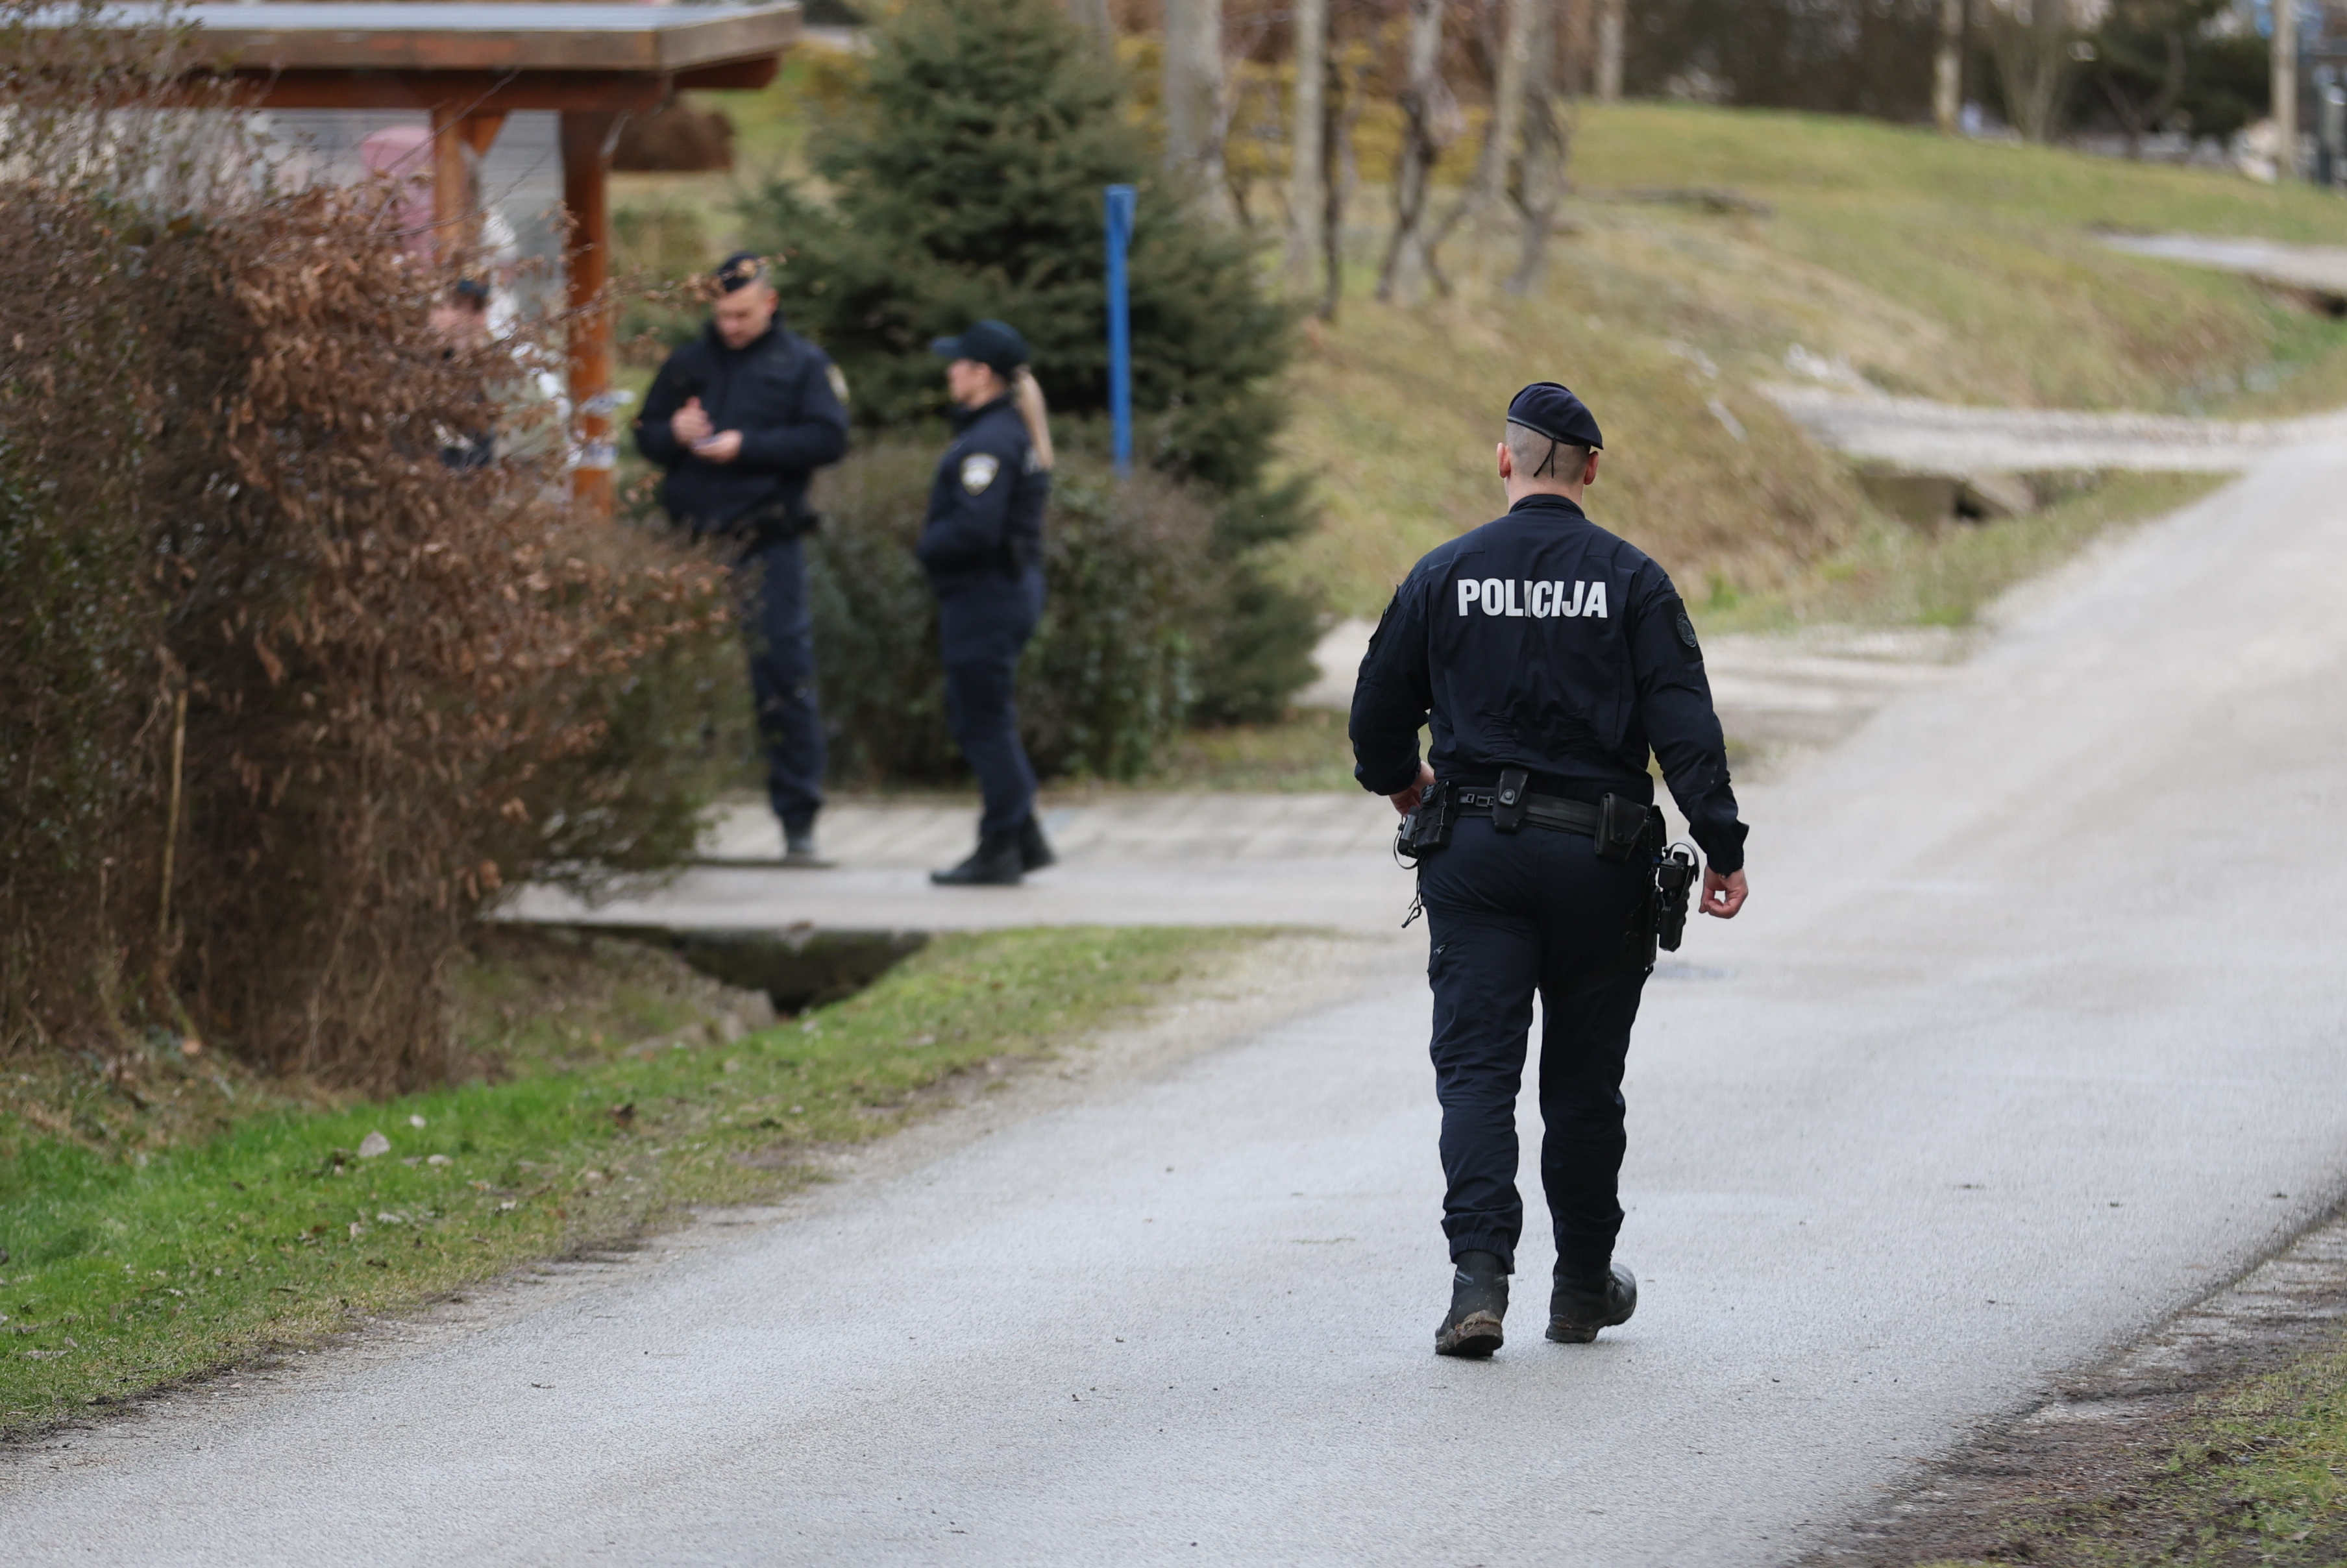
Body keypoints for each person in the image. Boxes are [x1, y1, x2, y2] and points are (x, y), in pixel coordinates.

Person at [1349, 382, 1751, 1359]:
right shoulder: (1632, 580)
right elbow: (1684, 727)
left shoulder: (1443, 573)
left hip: (1474, 860)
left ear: (1505, 460)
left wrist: (1406, 786)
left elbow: (1374, 720)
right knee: (1582, 1086)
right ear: (1591, 470)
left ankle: (1477, 1282)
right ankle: (1580, 1288)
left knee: (1477, 1075)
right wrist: (1722, 844)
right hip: (1598, 861)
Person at [636, 252, 850, 865]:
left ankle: (799, 821)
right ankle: (666, 818)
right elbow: (646, 432)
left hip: (766, 541)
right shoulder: (689, 362)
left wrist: (748, 446)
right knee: (672, 677)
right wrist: (673, 433)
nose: (731, 326)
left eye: (743, 315)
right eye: (722, 315)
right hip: (691, 542)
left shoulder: (802, 364)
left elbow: (829, 437)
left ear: (770, 303)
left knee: (782, 676)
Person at [918, 319, 1057, 887]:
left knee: (982, 722)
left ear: (982, 374)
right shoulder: (997, 431)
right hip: (997, 593)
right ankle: (1023, 838)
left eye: (959, 363)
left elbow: (976, 528)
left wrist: (927, 546)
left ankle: (1000, 845)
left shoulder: (990, 440)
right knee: (978, 716)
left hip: (986, 595)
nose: (949, 372)